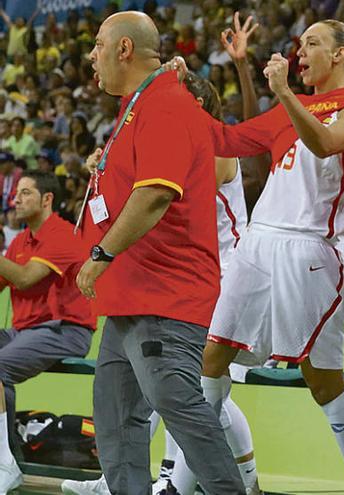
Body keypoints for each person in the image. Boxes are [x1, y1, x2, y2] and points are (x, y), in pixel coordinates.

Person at [190, 19, 344, 495]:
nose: (300, 52)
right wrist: (206, 83)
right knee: (212, 358)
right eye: (299, 44)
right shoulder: (294, 108)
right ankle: (179, 484)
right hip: (257, 243)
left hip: (310, 249)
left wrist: (283, 92)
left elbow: (325, 143)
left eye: (313, 44)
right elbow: (233, 140)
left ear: (340, 55)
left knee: (322, 381)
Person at [74, 11, 245, 495]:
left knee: (181, 408)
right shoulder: (139, 105)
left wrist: (100, 254)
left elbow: (155, 193)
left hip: (164, 296)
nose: (92, 54)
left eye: (100, 44)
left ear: (125, 49)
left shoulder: (166, 105)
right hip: (131, 296)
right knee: (116, 420)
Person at [0, 171, 94, 493]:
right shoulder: (19, 241)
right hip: (23, 332)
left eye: (26, 193)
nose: (17, 199)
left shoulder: (63, 234)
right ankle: (8, 455)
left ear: (47, 199)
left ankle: (5, 463)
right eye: (17, 193)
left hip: (65, 329)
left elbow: (26, 278)